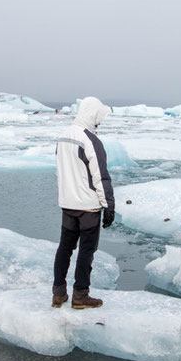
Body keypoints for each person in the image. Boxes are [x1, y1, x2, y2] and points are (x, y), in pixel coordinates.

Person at [52, 96, 115, 309]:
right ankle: (81, 295)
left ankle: (58, 293)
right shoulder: (90, 140)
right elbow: (100, 176)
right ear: (92, 114)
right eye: (99, 117)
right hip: (88, 206)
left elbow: (61, 170)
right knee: (87, 250)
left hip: (67, 204)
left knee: (65, 248)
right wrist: (109, 206)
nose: (100, 121)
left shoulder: (63, 136)